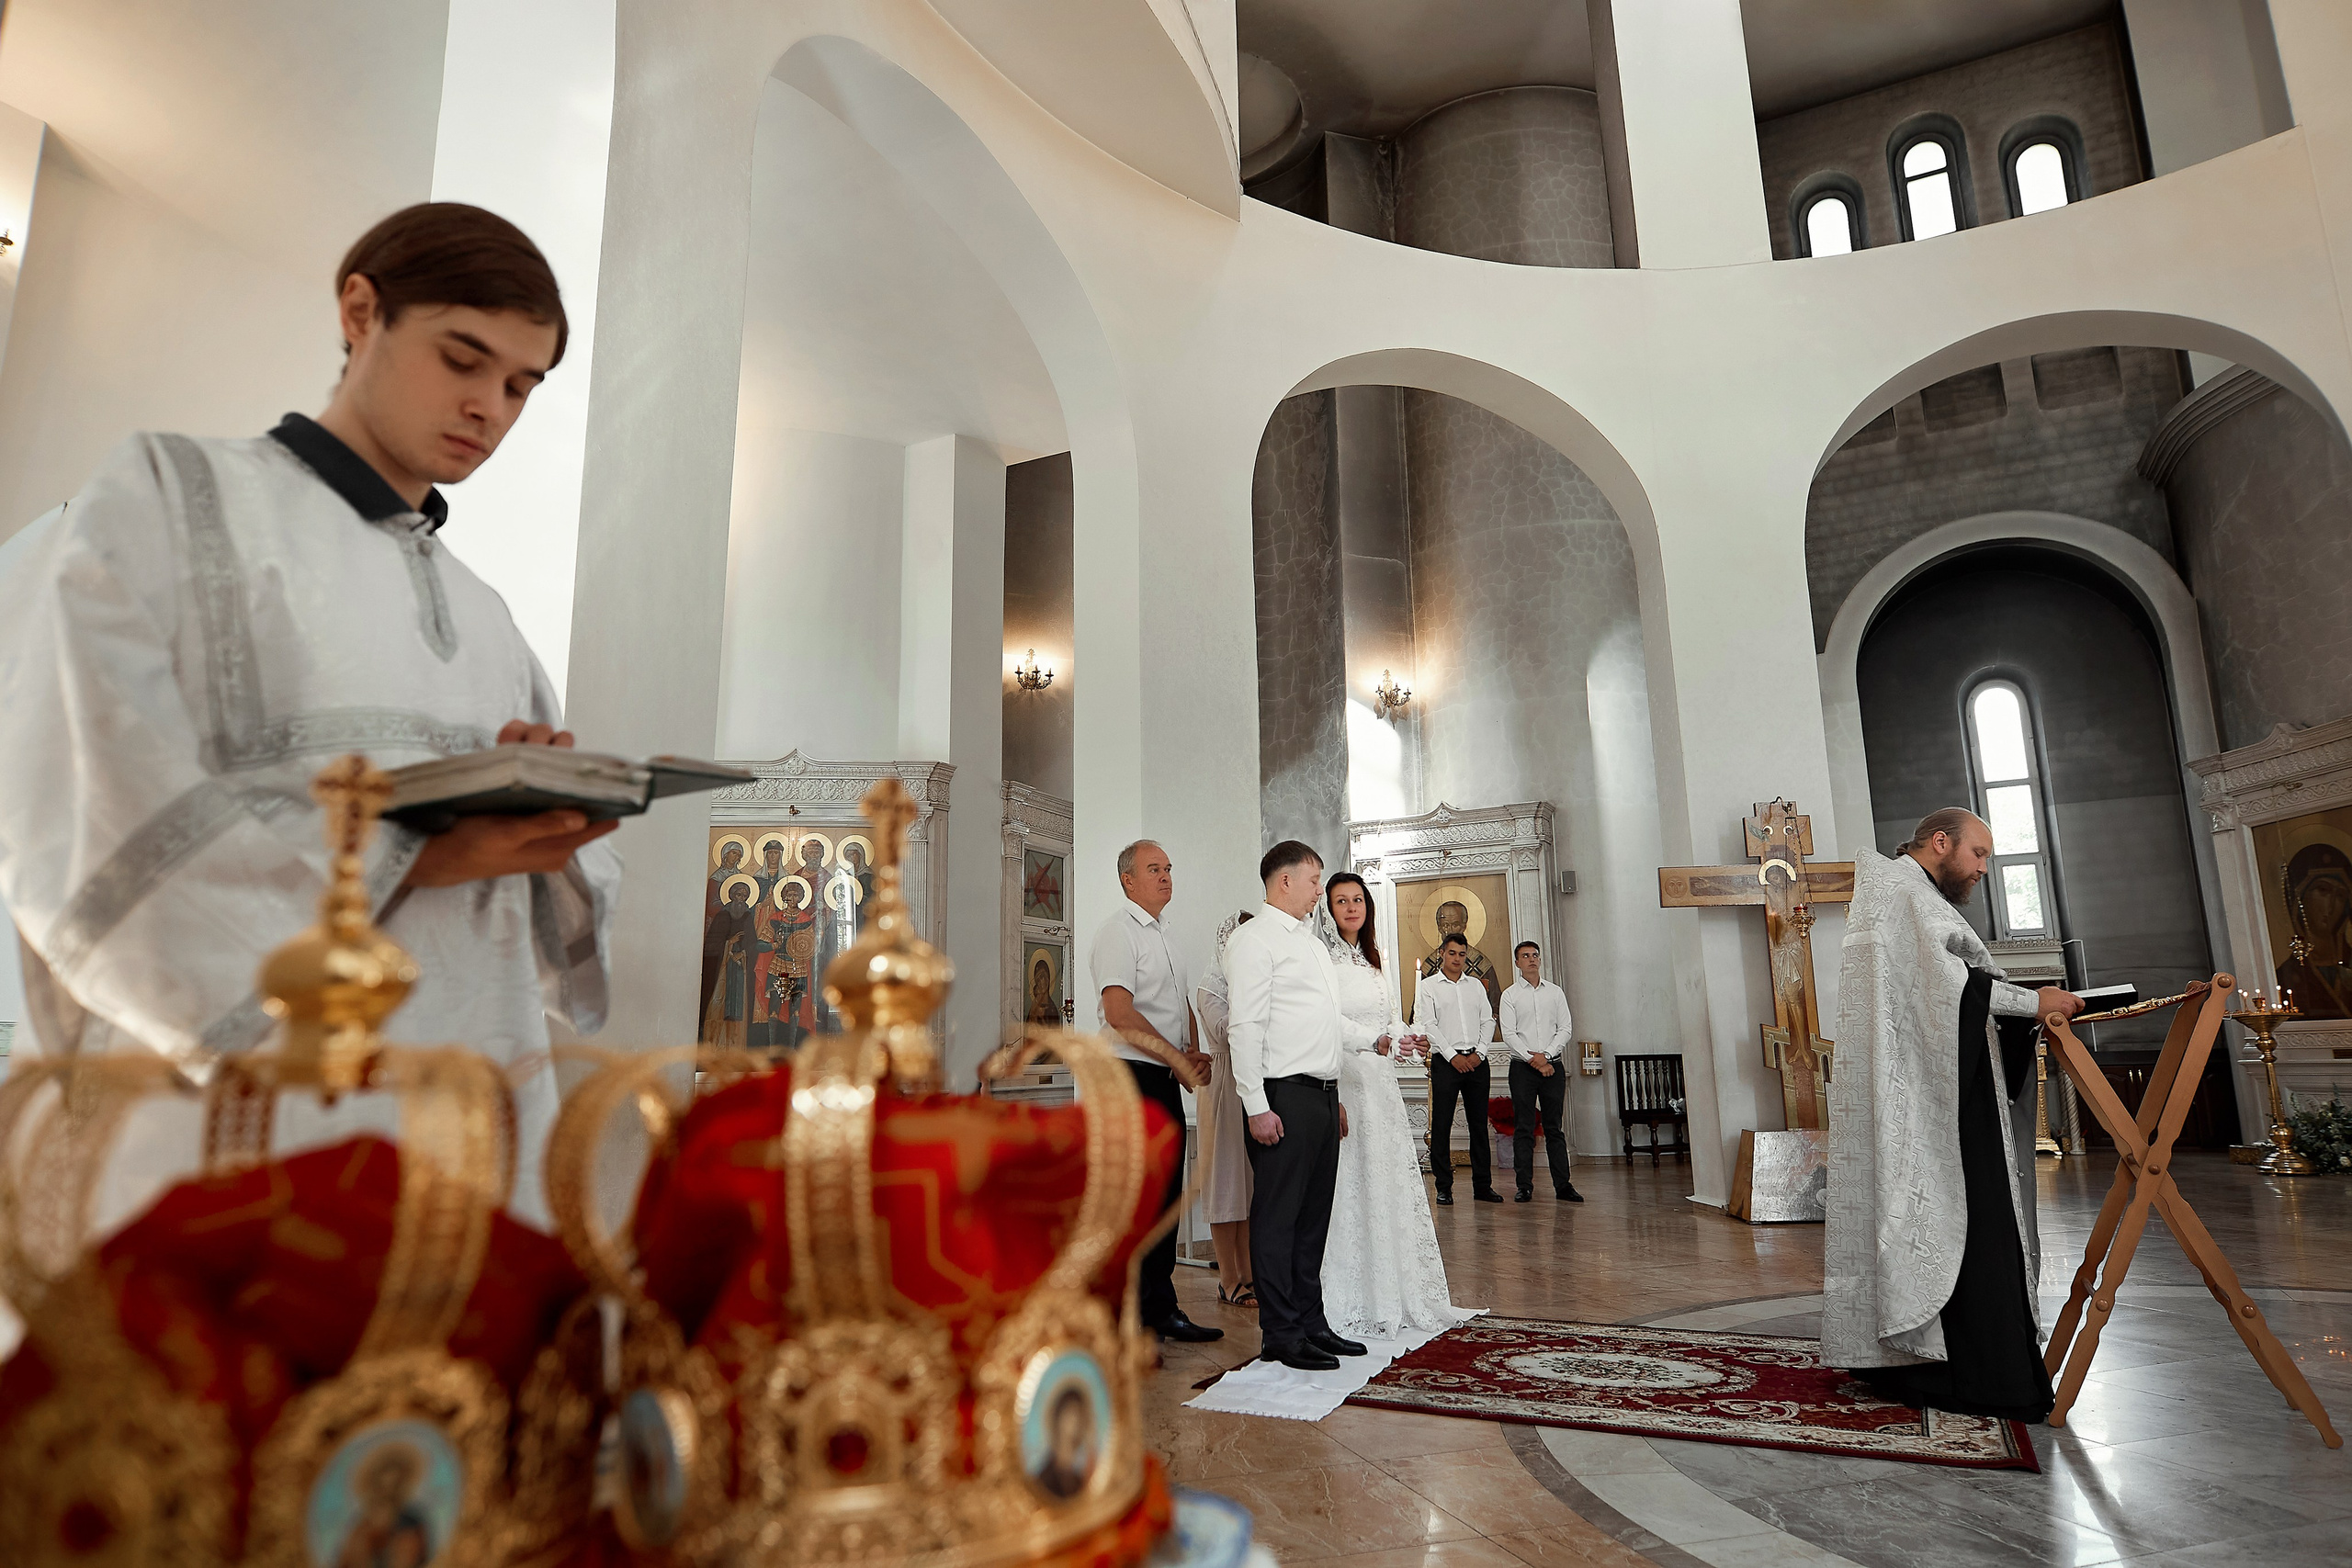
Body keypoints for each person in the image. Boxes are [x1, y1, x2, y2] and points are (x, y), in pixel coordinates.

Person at [0, 203, 619, 1223]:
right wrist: (420, 854)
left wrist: (547, 822)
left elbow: (562, 933)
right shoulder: (174, 494)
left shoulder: (488, 616)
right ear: (361, 310)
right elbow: (79, 781)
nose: (490, 409)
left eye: (520, 386)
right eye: (461, 359)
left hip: (457, 1111)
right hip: (227, 1122)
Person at [1825, 807, 2082, 1422]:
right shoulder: (1900, 892)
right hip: (1933, 1099)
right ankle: (1971, 1374)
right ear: (1940, 841)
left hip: (1940, 1085)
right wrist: (2035, 999)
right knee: (1968, 1215)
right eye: (1979, 853)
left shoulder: (1905, 893)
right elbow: (1956, 992)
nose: (1983, 869)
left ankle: (1940, 1362)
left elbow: (1951, 991)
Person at [1226, 840, 1385, 1371]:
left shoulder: (1313, 945)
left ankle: (1312, 1322)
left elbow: (1327, 1021)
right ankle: (1281, 1333)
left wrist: (1371, 1041)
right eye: (1315, 880)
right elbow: (1244, 1025)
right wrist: (1255, 1103)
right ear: (1284, 881)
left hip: (1321, 1094)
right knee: (1278, 1218)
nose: (1322, 889)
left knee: (1313, 1217)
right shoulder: (1253, 940)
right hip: (1281, 1096)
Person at [1320, 873, 1479, 1338]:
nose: (1351, 908)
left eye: (1357, 900)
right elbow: (1329, 1022)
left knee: (1387, 1179)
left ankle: (1394, 1287)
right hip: (1347, 1077)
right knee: (1351, 1180)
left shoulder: (1374, 962)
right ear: (1328, 910)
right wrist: (1378, 1039)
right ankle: (1350, 1292)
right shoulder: (1326, 962)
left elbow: (1390, 1016)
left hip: (1381, 1083)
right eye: (1340, 901)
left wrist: (1404, 1037)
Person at [1087, 840, 1221, 1345]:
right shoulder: (1117, 932)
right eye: (1154, 869)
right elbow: (1120, 1015)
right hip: (1129, 1077)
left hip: (1159, 1076)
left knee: (1164, 1195)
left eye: (1169, 868)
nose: (1166, 876)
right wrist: (1176, 1058)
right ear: (1128, 879)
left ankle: (1157, 1309)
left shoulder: (1166, 935)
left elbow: (1176, 999)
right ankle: (1121, 1313)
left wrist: (1193, 1047)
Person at [1193, 910, 1257, 1307]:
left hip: (1254, 1085)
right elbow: (1226, 1033)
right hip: (1224, 1084)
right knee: (1225, 1178)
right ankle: (1228, 1277)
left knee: (1250, 1184)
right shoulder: (1211, 987)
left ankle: (1250, 1272)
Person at [1416, 931, 1502, 1205]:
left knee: (1479, 1126)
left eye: (1462, 954)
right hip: (1446, 1062)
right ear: (1442, 953)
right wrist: (1453, 1056)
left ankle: (1482, 1186)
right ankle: (1444, 1187)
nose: (1457, 959)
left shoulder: (1475, 986)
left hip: (1477, 1061)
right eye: (1452, 953)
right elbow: (1428, 1024)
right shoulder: (1428, 986)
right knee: (1442, 1125)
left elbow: (1488, 1021)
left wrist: (1480, 1052)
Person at [1499, 940, 1584, 1203]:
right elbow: (1509, 1033)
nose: (1532, 959)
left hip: (1552, 1067)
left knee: (1554, 1128)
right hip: (1522, 1068)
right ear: (1517, 963)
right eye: (1525, 956)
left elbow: (1565, 1028)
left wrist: (1545, 1055)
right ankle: (1524, 1186)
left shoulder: (1555, 993)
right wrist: (1532, 1058)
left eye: (1535, 955)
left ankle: (1564, 1186)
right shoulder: (1510, 995)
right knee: (1524, 1127)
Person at [1419, 898, 1502, 1017]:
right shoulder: (1428, 967)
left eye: (1455, 924)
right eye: (1445, 925)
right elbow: (1419, 1012)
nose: (1450, 930)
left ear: (1464, 926)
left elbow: (1495, 1006)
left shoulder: (1482, 965)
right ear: (1439, 928)